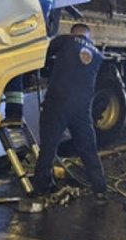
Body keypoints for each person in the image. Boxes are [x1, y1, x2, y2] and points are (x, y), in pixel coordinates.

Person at [32, 23, 107, 198]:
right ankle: (100, 189)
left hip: (58, 103)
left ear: (74, 33)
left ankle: (41, 188)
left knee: (49, 146)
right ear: (88, 36)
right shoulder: (97, 55)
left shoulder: (66, 40)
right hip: (82, 109)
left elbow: (42, 54)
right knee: (88, 148)